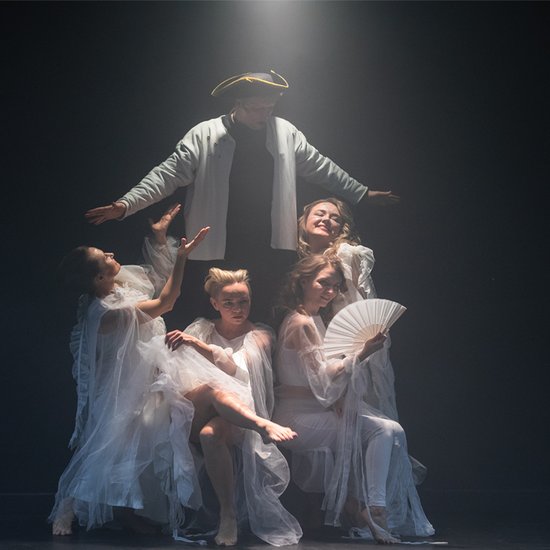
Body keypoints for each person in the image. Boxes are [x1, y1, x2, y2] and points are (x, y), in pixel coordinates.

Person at [49, 206, 298, 545]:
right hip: (128, 390)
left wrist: (160, 239)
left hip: (155, 378)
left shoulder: (119, 287)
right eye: (103, 257)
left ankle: (260, 425)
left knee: (202, 398)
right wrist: (183, 257)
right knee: (110, 449)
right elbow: (166, 301)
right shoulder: (107, 313)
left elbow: (154, 276)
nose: (111, 254)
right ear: (98, 279)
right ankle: (71, 506)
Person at [84, 70, 399, 322]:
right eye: (257, 108)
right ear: (237, 103)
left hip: (270, 249)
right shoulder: (205, 134)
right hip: (216, 249)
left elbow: (320, 167)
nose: (264, 114)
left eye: (269, 108)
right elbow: (167, 174)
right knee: (211, 320)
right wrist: (126, 204)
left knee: (265, 322)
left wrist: (361, 193)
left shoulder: (285, 132)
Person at [272, 255, 434, 543]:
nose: (330, 291)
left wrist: (355, 358)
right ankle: (368, 510)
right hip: (297, 417)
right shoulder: (300, 323)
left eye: (335, 286)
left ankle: (374, 507)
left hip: (318, 410)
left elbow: (325, 376)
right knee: (379, 431)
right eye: (323, 283)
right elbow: (322, 382)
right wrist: (361, 354)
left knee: (390, 429)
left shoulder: (316, 319)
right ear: (303, 281)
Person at [163, 268, 302, 546]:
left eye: (243, 302)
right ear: (215, 303)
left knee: (210, 434)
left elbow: (235, 371)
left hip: (237, 414)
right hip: (198, 407)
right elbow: (178, 369)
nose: (237, 309)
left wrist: (195, 345)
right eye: (228, 303)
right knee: (211, 390)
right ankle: (262, 425)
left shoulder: (260, 335)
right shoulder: (202, 328)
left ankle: (228, 515)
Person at [297, 197, 398, 420]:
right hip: (320, 340)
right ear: (304, 221)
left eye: (335, 218)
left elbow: (362, 304)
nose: (326, 219)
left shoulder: (345, 255)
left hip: (349, 343)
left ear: (340, 228)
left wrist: (359, 352)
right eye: (320, 214)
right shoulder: (305, 261)